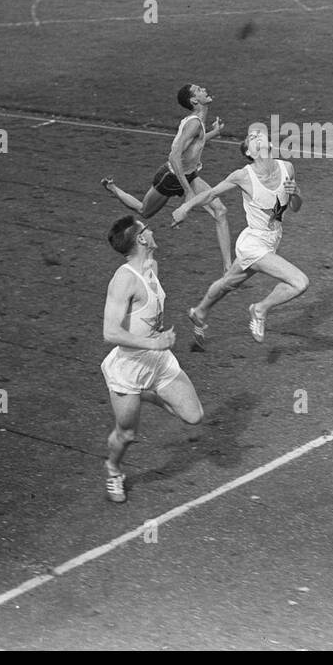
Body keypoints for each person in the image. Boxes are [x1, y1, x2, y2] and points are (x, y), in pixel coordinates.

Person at [172, 123, 307, 348]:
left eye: (259, 134)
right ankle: (260, 308)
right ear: (249, 153)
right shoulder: (243, 176)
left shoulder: (287, 168)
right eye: (252, 138)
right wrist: (185, 208)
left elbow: (294, 207)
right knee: (300, 282)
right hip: (253, 243)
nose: (256, 136)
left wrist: (297, 194)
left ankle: (200, 312)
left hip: (271, 241)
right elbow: (210, 193)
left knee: (228, 283)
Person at [99, 216, 204, 504]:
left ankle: (144, 395)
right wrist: (154, 342)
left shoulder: (151, 267)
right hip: (130, 368)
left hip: (158, 360)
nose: (152, 229)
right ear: (142, 239)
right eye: (146, 228)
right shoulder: (123, 280)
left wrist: (156, 345)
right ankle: (113, 469)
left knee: (194, 416)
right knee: (127, 434)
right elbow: (110, 332)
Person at [101, 84, 232, 272]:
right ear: (194, 101)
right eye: (199, 90)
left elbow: (195, 142)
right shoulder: (194, 123)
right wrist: (187, 191)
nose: (204, 89)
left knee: (220, 210)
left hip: (189, 174)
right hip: (170, 177)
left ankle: (228, 268)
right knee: (144, 211)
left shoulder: (198, 121)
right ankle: (113, 188)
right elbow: (174, 156)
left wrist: (214, 133)